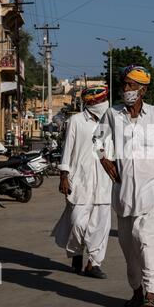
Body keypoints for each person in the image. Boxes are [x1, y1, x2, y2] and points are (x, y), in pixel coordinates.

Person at [95, 65, 154, 307]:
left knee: (147, 241)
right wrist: (105, 159)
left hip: (151, 191)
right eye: (124, 84)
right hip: (124, 193)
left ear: (143, 89)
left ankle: (150, 294)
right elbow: (97, 140)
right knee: (129, 247)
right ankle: (136, 291)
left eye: (131, 85)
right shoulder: (113, 115)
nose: (126, 89)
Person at [52, 84, 112, 278]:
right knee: (78, 222)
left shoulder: (111, 122)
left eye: (104, 100)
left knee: (100, 226)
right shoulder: (76, 121)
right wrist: (64, 175)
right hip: (80, 181)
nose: (104, 104)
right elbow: (67, 149)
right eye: (101, 101)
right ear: (92, 103)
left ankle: (94, 263)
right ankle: (76, 252)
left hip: (104, 181)